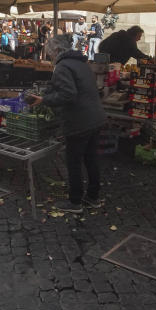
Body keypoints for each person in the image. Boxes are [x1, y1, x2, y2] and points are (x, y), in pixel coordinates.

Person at [31, 35, 106, 214]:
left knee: (74, 162)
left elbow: (68, 94)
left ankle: (75, 202)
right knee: (91, 159)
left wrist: (44, 99)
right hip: (95, 118)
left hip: (79, 121)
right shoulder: (81, 63)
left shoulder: (63, 66)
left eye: (49, 54)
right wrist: (49, 90)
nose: (49, 57)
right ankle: (93, 197)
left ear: (56, 51)